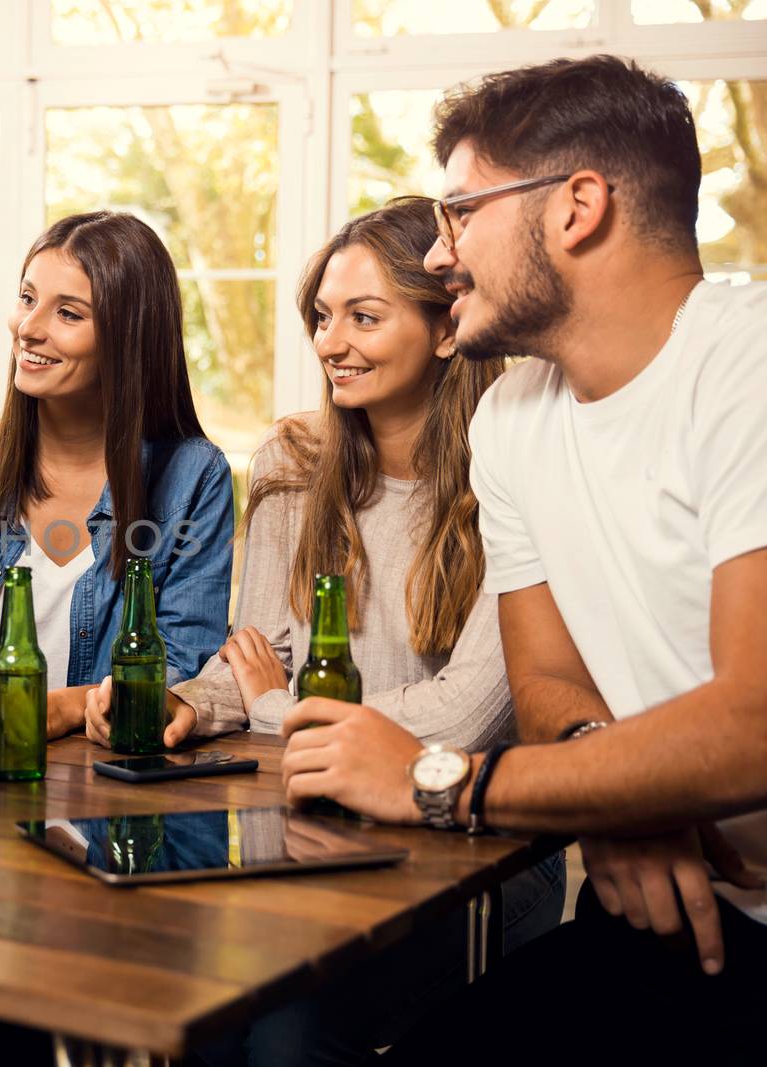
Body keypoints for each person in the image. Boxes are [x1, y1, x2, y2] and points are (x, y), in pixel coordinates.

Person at [273, 57, 767, 1067]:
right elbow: (546, 677)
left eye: (460, 211)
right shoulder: (511, 417)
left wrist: (433, 778)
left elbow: (753, 722)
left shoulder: (745, 367)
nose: (441, 250)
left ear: (577, 206)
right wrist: (616, 795)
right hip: (666, 899)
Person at [86, 197, 563, 1065]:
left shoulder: (514, 475)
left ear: (447, 330)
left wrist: (278, 707)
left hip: (478, 854)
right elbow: (255, 654)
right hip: (319, 827)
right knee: (199, 1008)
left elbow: (467, 720)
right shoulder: (293, 463)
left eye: (364, 316)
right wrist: (185, 701)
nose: (330, 341)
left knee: (284, 1036)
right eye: (322, 316)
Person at [0, 211, 233, 745]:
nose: (28, 329)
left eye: (69, 314)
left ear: (129, 339)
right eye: (27, 299)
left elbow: (184, 663)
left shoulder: (194, 475)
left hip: (109, 786)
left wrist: (66, 708)